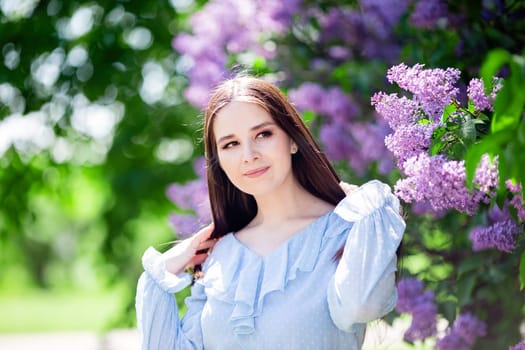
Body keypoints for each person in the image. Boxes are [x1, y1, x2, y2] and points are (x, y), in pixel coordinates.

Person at [135, 75, 406, 350]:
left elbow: (362, 306)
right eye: (231, 144)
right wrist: (163, 271)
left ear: (292, 139)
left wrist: (364, 202)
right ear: (219, 162)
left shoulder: (347, 231)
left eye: (263, 134)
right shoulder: (219, 255)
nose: (248, 154)